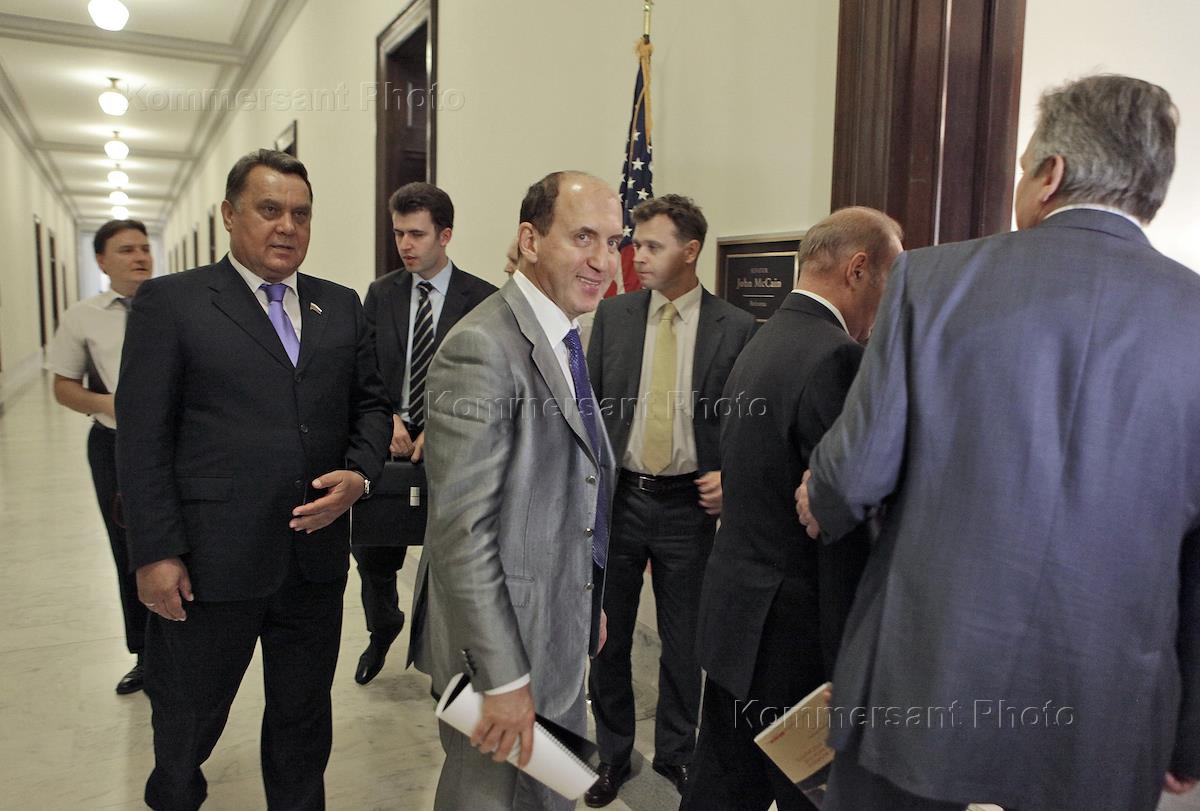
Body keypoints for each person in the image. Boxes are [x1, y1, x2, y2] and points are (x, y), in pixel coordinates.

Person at [796, 74, 1200, 811]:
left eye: (1022, 167)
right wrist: (1190, 733)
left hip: (924, 676)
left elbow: (853, 475)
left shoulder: (933, 279)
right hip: (1104, 709)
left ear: (1051, 175)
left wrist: (819, 496)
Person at [115, 149, 391, 811]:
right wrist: (155, 552)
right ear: (229, 214)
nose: (287, 226)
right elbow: (143, 438)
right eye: (269, 210)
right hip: (209, 563)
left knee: (303, 717)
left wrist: (360, 473)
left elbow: (372, 406)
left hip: (313, 560)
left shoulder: (339, 305)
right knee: (188, 717)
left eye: (301, 213)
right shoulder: (172, 303)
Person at [410, 170, 621, 810]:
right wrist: (502, 678)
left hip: (554, 622)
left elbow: (570, 488)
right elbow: (461, 534)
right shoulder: (482, 346)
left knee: (544, 796)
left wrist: (586, 597)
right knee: (487, 797)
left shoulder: (563, 336)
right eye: (583, 237)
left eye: (614, 242)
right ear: (530, 240)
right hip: (501, 647)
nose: (603, 260)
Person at [681, 207, 902, 811]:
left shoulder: (763, 338)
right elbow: (839, 521)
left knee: (722, 790)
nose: (889, 300)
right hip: (792, 640)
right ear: (859, 269)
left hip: (737, 618)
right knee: (810, 797)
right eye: (891, 279)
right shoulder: (836, 357)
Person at [583, 194, 756, 805]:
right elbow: (590, 408)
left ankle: (678, 754)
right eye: (636, 243)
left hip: (689, 507)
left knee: (684, 644)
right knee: (608, 635)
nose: (637, 256)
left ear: (691, 251)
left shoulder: (734, 328)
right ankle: (612, 754)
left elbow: (746, 425)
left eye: (653, 246)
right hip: (621, 499)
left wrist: (729, 475)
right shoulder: (615, 316)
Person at [353, 182, 495, 685]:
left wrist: (439, 426)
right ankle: (382, 626)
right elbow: (364, 367)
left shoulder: (482, 298)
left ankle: (445, 660)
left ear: (445, 235)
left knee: (450, 558)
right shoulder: (381, 293)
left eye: (417, 234)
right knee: (373, 550)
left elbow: (486, 378)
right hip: (389, 435)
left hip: (453, 440)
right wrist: (388, 416)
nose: (405, 245)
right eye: (399, 234)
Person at [48, 218, 154, 695]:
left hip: (177, 443)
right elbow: (63, 386)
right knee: (128, 547)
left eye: (144, 248)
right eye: (127, 250)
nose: (140, 257)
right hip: (115, 445)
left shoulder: (175, 305)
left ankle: (184, 646)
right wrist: (108, 404)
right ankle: (144, 654)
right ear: (101, 261)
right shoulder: (82, 317)